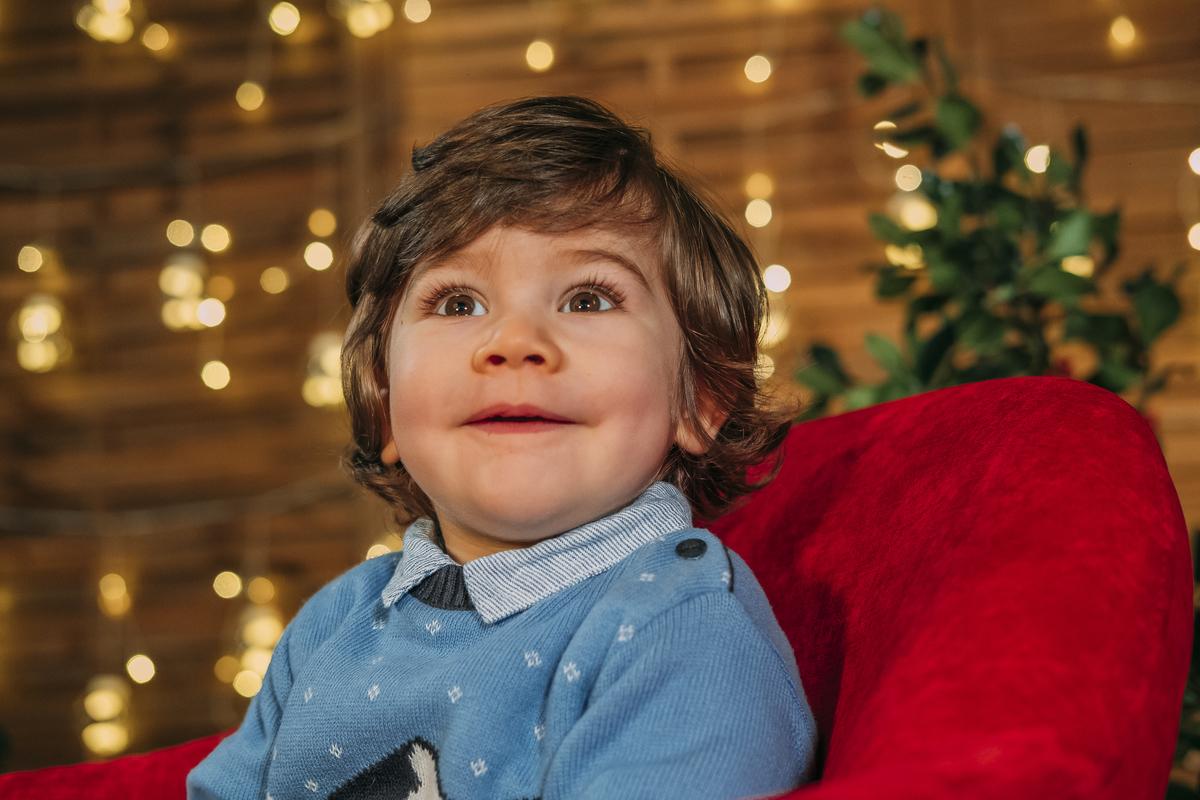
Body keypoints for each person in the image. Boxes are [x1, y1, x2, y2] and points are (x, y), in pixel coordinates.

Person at [187, 95, 816, 800]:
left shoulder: (677, 629)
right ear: (385, 406)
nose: (515, 343)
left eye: (587, 299)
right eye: (458, 303)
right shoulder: (334, 624)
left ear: (698, 396)